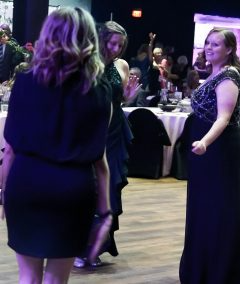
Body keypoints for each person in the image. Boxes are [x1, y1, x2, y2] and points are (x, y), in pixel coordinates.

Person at [1, 7, 113, 283]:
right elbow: (100, 158)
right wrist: (106, 211)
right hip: (72, 189)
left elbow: (10, 149)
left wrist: (3, 192)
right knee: (57, 280)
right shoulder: (99, 89)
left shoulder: (25, 81)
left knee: (28, 278)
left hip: (26, 184)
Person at [179, 28, 240, 284]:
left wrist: (204, 142)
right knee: (203, 209)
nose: (210, 47)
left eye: (216, 44)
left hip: (220, 150)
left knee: (219, 211)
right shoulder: (213, 73)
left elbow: (224, 118)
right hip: (206, 151)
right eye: (207, 43)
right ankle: (201, 269)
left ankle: (222, 273)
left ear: (229, 49)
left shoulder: (230, 75)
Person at [74, 20, 140, 268]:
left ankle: (97, 246)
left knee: (110, 187)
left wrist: (130, 96)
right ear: (101, 40)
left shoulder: (122, 65)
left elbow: (119, 99)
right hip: (92, 130)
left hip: (114, 132)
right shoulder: (87, 63)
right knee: (88, 188)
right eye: (112, 43)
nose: (115, 48)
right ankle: (80, 246)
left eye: (120, 45)